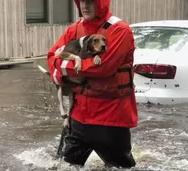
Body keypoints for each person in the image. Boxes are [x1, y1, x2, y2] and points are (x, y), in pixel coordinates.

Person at [47, 0, 138, 169]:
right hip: (78, 117)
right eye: (81, 1)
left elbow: (102, 68)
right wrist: (61, 69)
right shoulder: (74, 29)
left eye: (90, 2)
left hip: (111, 119)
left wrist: (63, 68)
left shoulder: (120, 30)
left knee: (121, 167)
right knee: (62, 166)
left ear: (102, 3)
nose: (85, 6)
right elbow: (52, 57)